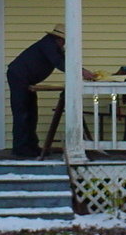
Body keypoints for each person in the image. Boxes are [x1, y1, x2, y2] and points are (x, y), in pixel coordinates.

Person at [6, 24, 96, 158]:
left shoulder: (52, 46)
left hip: (27, 80)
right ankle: (21, 149)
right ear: (59, 39)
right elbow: (60, 63)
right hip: (18, 76)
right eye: (65, 41)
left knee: (31, 114)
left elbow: (66, 61)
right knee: (23, 114)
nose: (65, 44)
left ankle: (31, 147)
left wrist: (81, 70)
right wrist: (82, 72)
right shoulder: (48, 45)